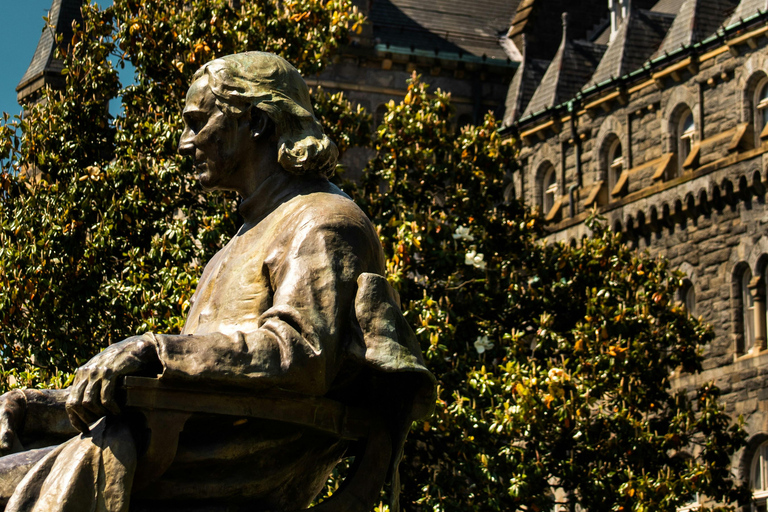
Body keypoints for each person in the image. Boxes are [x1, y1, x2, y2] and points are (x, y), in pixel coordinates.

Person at [0, 52, 434, 512]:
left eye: (197, 122)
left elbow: (300, 353)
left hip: (242, 455)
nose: (185, 143)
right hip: (186, 438)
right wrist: (32, 406)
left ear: (258, 121)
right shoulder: (235, 245)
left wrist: (154, 348)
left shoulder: (323, 221)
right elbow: (164, 383)